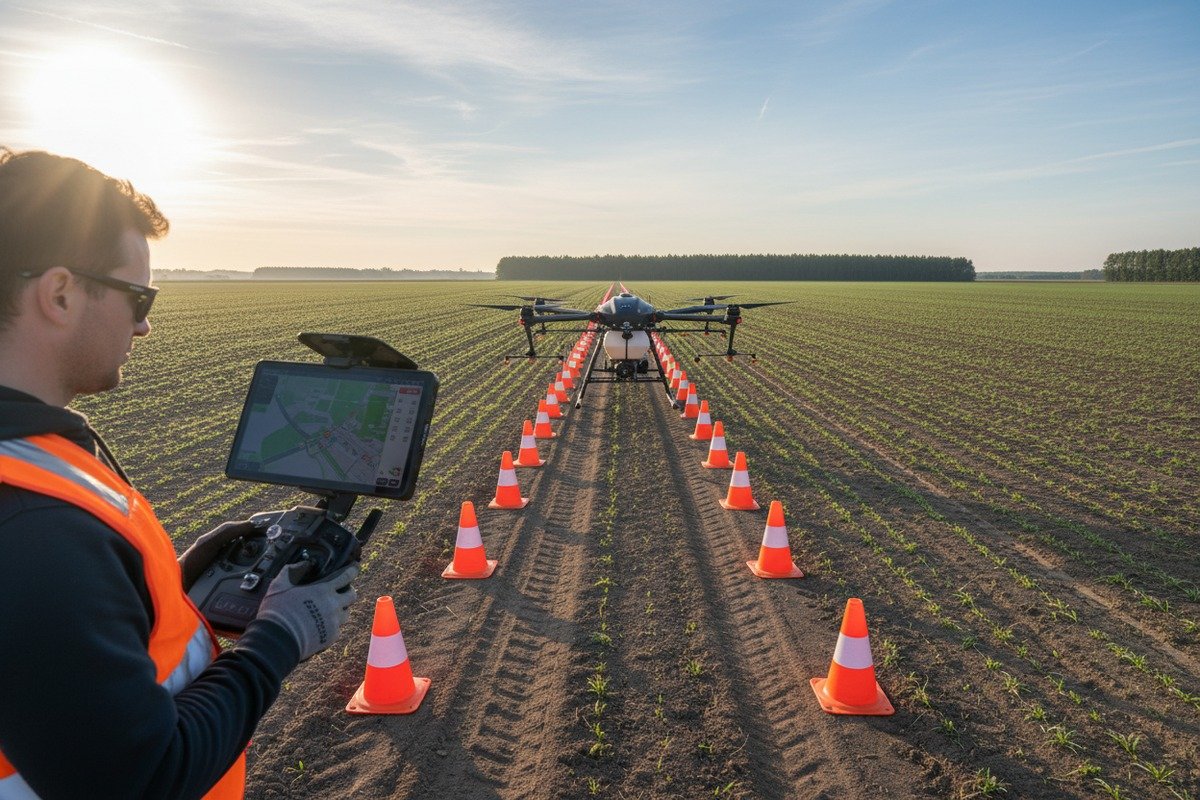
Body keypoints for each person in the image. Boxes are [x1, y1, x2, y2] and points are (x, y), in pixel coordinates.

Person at [0, 149, 359, 800]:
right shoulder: (35, 525)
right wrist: (279, 638)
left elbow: (50, 674)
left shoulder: (28, 460)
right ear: (58, 293)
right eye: (138, 296)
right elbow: (144, 778)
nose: (144, 324)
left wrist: (171, 584)